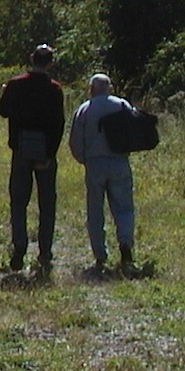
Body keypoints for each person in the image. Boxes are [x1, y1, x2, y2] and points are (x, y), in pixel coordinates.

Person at [0, 44, 66, 273]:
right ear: (50, 63)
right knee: (47, 204)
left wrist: (4, 90)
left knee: (19, 201)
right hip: (45, 151)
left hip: (21, 150)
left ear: (31, 59)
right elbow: (59, 125)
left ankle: (19, 247)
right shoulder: (54, 89)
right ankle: (45, 251)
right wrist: (50, 154)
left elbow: (2, 110)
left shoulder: (16, 84)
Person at [69, 73, 137, 275]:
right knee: (124, 207)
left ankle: (100, 254)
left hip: (95, 164)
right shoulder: (122, 105)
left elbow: (75, 141)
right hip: (119, 162)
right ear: (109, 88)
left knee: (95, 211)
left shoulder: (85, 109)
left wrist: (84, 159)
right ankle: (125, 244)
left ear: (91, 89)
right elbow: (135, 130)